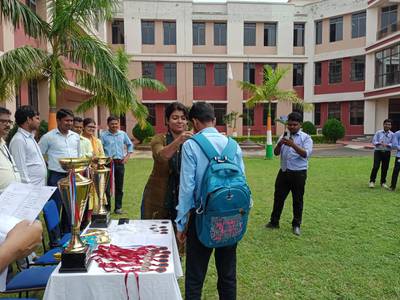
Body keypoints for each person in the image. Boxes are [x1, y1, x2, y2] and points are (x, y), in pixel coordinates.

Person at [175, 102, 245, 300]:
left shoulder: (191, 145)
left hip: (202, 218)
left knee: (195, 277)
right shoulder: (233, 145)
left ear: (194, 122)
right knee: (228, 275)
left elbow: (187, 188)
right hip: (231, 217)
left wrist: (181, 224)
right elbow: (243, 181)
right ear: (214, 120)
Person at [141, 102, 192, 220]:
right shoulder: (158, 138)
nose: (180, 121)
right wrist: (178, 140)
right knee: (156, 233)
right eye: (175, 118)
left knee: (181, 234)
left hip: (183, 196)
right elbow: (161, 156)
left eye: (183, 118)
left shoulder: (191, 142)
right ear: (167, 120)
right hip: (158, 195)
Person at [265, 112, 313, 236]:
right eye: (289, 125)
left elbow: (305, 154)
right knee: (278, 198)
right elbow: (276, 153)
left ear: (300, 125)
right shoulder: (284, 136)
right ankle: (274, 222)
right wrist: (281, 143)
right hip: (284, 172)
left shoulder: (305, 138)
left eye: (294, 125)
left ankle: (296, 225)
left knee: (297, 200)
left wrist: (293, 145)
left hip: (298, 174)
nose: (291, 127)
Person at [39, 108, 80, 233]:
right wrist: (50, 164)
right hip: (56, 176)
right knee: (56, 206)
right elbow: (40, 154)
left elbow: (78, 154)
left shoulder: (76, 137)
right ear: (58, 120)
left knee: (70, 205)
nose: (69, 123)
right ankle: (55, 236)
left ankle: (67, 233)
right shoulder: (48, 137)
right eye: (66, 120)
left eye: (71, 120)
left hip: (72, 175)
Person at [101, 116, 134, 214]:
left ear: (118, 124)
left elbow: (130, 144)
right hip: (107, 164)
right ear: (108, 124)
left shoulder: (122, 134)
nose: (114, 125)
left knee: (119, 186)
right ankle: (107, 208)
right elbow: (100, 148)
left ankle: (118, 208)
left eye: (116, 123)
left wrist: (127, 155)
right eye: (112, 124)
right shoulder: (103, 135)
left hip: (120, 163)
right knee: (106, 186)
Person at [9, 106, 47, 186]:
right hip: (30, 190)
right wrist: (28, 191)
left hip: (39, 188)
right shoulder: (19, 140)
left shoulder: (30, 137)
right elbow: (20, 169)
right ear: (29, 120)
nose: (39, 122)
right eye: (36, 119)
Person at [0, 107, 21, 194]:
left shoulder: (3, 144)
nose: (8, 125)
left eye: (9, 122)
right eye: (3, 121)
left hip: (11, 197)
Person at [369, 119, 393, 189]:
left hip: (387, 152)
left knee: (385, 168)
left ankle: (383, 182)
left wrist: (388, 145)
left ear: (391, 126)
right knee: (376, 166)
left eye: (389, 124)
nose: (387, 126)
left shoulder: (392, 134)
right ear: (383, 124)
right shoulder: (378, 133)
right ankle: (372, 181)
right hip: (378, 152)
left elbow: (393, 143)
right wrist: (378, 143)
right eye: (386, 124)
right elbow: (374, 141)